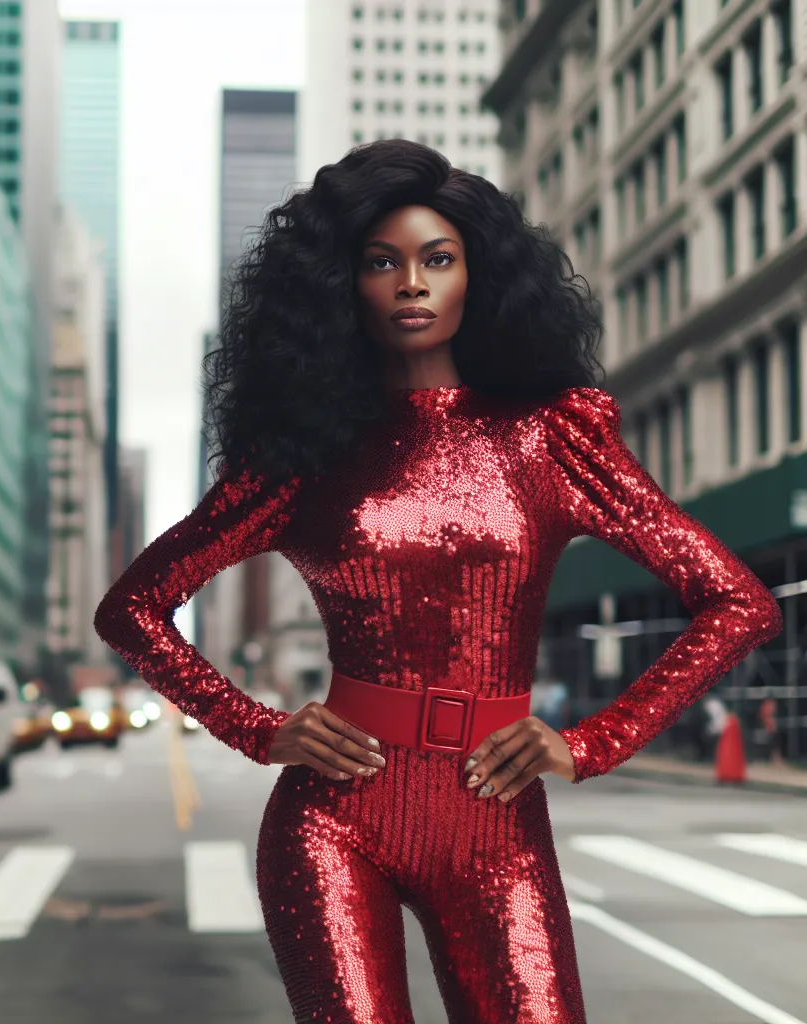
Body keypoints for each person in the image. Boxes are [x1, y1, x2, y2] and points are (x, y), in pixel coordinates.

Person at [94, 141, 782, 1024]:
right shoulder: (301, 457)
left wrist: (592, 741)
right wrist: (260, 729)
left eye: (437, 259)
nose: (410, 283)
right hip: (333, 821)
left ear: (477, 277)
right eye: (381, 263)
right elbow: (133, 611)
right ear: (343, 287)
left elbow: (737, 603)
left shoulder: (553, 439)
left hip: (495, 819)